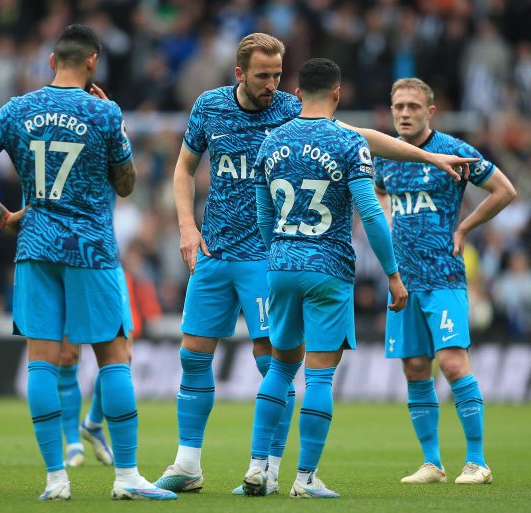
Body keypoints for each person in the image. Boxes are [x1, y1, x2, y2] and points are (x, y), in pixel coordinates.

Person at [155, 32, 477, 497]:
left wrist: (425, 155)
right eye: (263, 76)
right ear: (239, 74)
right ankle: (188, 464)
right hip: (216, 250)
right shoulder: (209, 106)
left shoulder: (290, 110)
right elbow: (184, 168)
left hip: (268, 257)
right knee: (193, 356)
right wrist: (187, 227)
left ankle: (266, 468)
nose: (272, 84)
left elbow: (361, 138)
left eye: (277, 75)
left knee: (273, 362)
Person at [0, 24, 176, 501]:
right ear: (93, 61)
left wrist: (3, 216)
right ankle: (127, 476)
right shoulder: (104, 112)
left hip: (35, 248)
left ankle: (56, 479)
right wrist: (115, 124)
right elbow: (126, 185)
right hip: (91, 250)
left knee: (42, 363)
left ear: (52, 62)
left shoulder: (17, 108)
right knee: (113, 357)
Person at [252, 57, 407, 499]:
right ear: (337, 93)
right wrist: (393, 275)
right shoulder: (348, 141)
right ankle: (304, 479)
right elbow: (372, 215)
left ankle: (258, 468)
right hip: (328, 269)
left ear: (298, 93)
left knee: (280, 368)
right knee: (318, 378)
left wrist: (279, 253)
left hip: (281, 265)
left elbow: (263, 217)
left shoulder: (271, 141)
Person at [374, 78, 516, 485]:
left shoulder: (453, 150)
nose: (404, 113)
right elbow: (380, 192)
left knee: (452, 363)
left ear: (430, 112)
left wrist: (465, 227)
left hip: (445, 277)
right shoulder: (386, 156)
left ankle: (477, 462)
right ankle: (432, 463)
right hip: (403, 282)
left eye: (413, 107)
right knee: (416, 367)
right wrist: (387, 221)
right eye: (399, 106)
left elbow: (504, 190)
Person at [59, 257, 133, 468]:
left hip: (105, 263)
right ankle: (73, 443)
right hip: (67, 263)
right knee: (67, 356)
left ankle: (92, 423)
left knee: (124, 356)